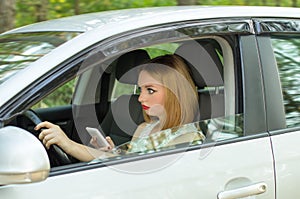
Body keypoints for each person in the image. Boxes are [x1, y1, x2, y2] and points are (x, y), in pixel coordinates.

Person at [35, 54, 205, 162]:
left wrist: (69, 144)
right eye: (140, 89)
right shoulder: (144, 128)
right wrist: (110, 153)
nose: (140, 98)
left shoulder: (187, 139)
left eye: (150, 90)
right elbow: (128, 166)